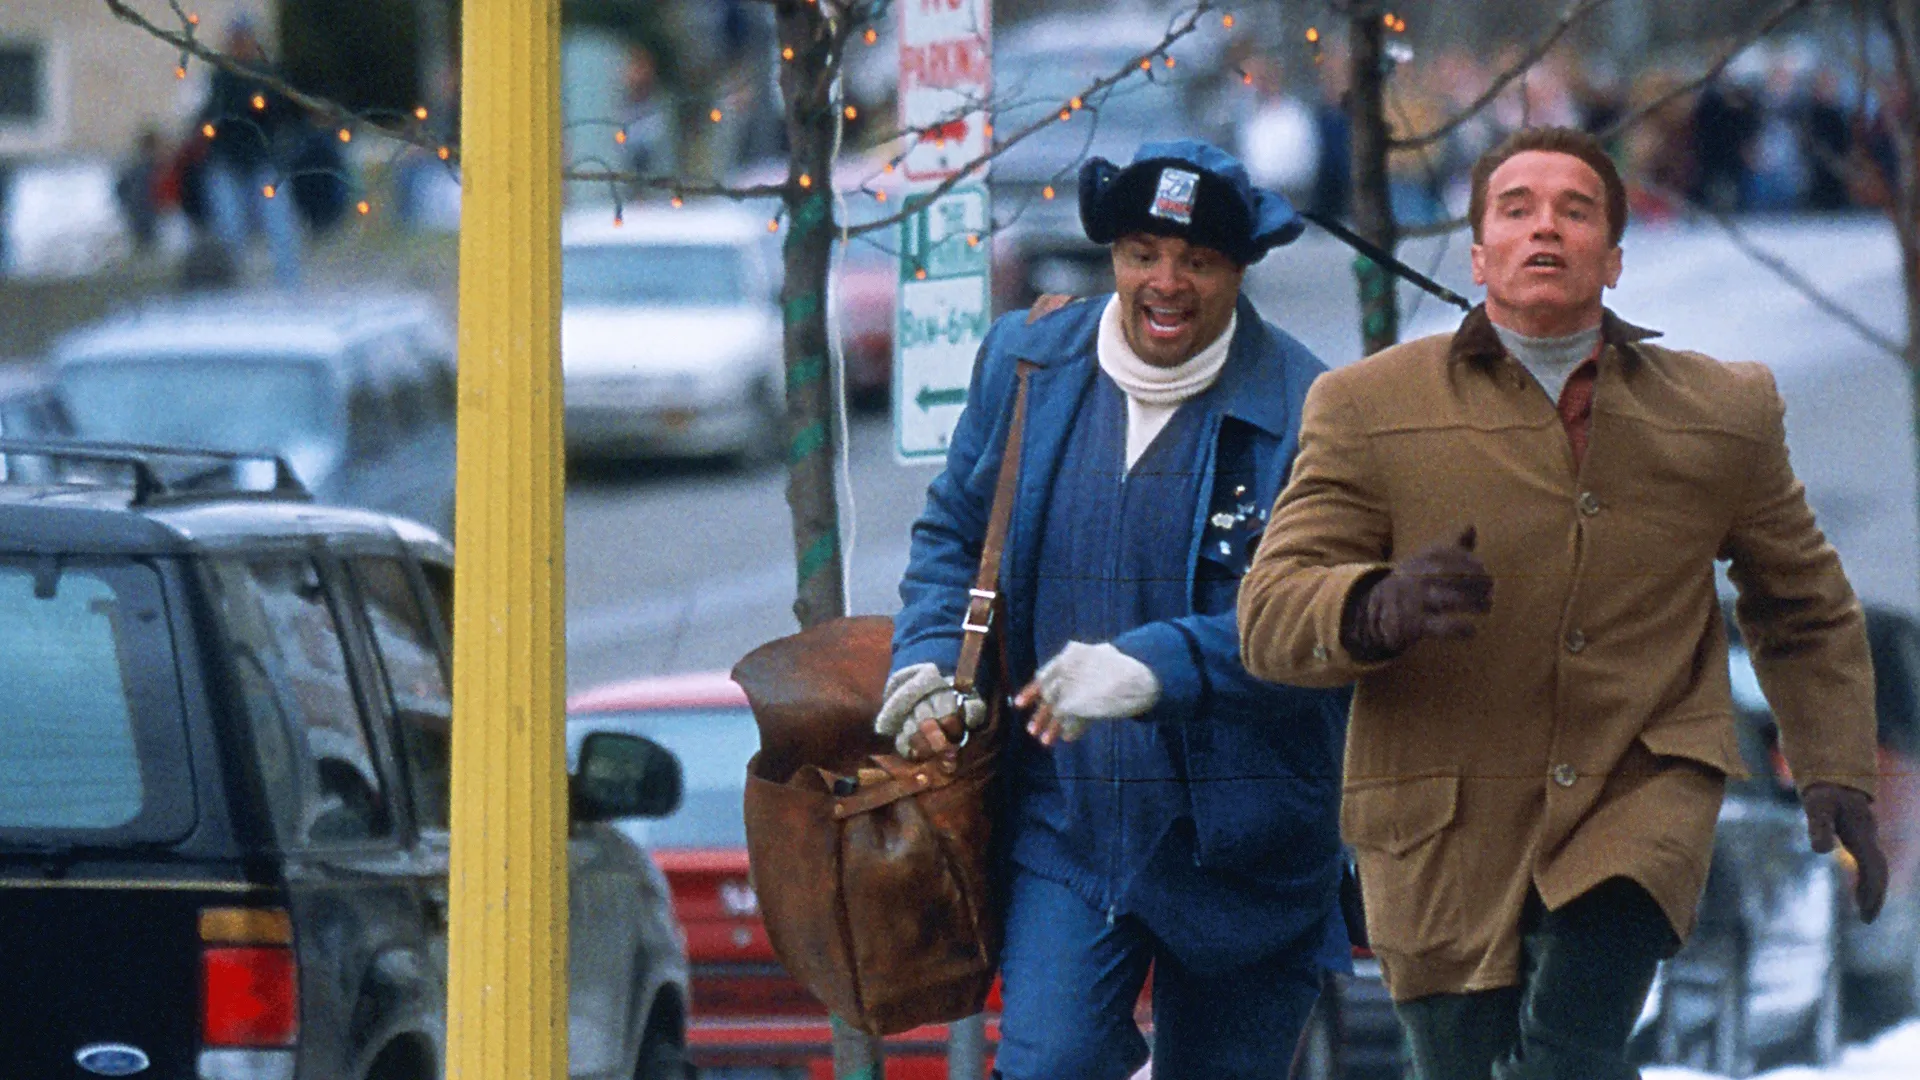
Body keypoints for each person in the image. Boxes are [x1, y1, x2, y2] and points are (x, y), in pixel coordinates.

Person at [1236, 126, 1889, 1080]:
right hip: (1439, 824)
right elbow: (1268, 613)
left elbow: (1804, 603)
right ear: (1478, 253)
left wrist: (1836, 768)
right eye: (1517, 209)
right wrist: (1375, 604)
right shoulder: (1365, 406)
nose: (1547, 228)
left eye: (1576, 211)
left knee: (1567, 1056)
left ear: (1615, 257)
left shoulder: (1723, 409)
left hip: (1638, 795)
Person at [879, 140, 1351, 1080]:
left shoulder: (1313, 409)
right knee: (1046, 1066)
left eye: (1199, 261)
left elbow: (1316, 627)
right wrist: (931, 662)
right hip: (1070, 825)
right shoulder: (1026, 365)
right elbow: (950, 538)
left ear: (1240, 268)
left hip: (1249, 845)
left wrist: (1152, 669)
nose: (1165, 282)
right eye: (1142, 254)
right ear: (1113, 258)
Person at [195, 14, 305, 287]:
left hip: (264, 161)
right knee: (229, 228)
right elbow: (211, 118)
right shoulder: (219, 76)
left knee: (280, 225)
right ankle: (231, 286)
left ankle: (290, 285)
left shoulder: (268, 75)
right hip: (227, 162)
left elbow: (284, 115)